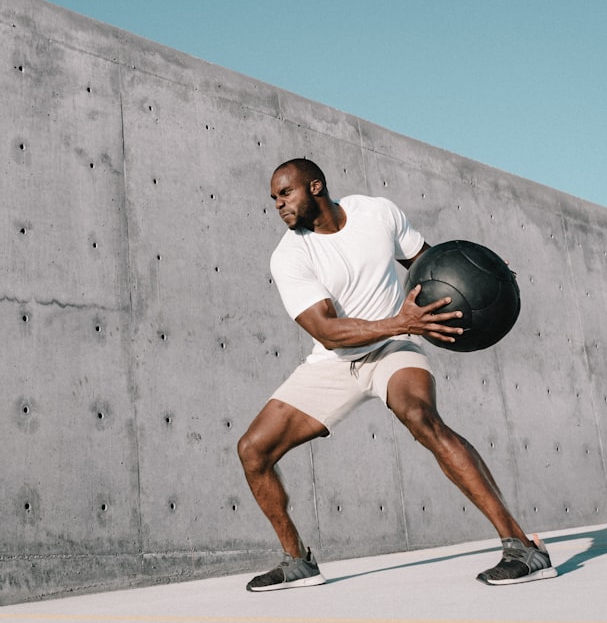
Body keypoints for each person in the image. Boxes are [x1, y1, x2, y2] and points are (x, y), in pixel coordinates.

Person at [236, 157, 556, 590]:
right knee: (253, 450)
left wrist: (467, 301)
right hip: (337, 358)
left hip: (395, 349)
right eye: (274, 198)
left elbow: (433, 268)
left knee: (422, 419)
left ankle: (523, 548)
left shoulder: (377, 213)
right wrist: (402, 321)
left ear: (315, 187)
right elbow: (327, 331)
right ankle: (297, 560)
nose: (278, 204)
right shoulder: (290, 255)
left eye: (285, 193)